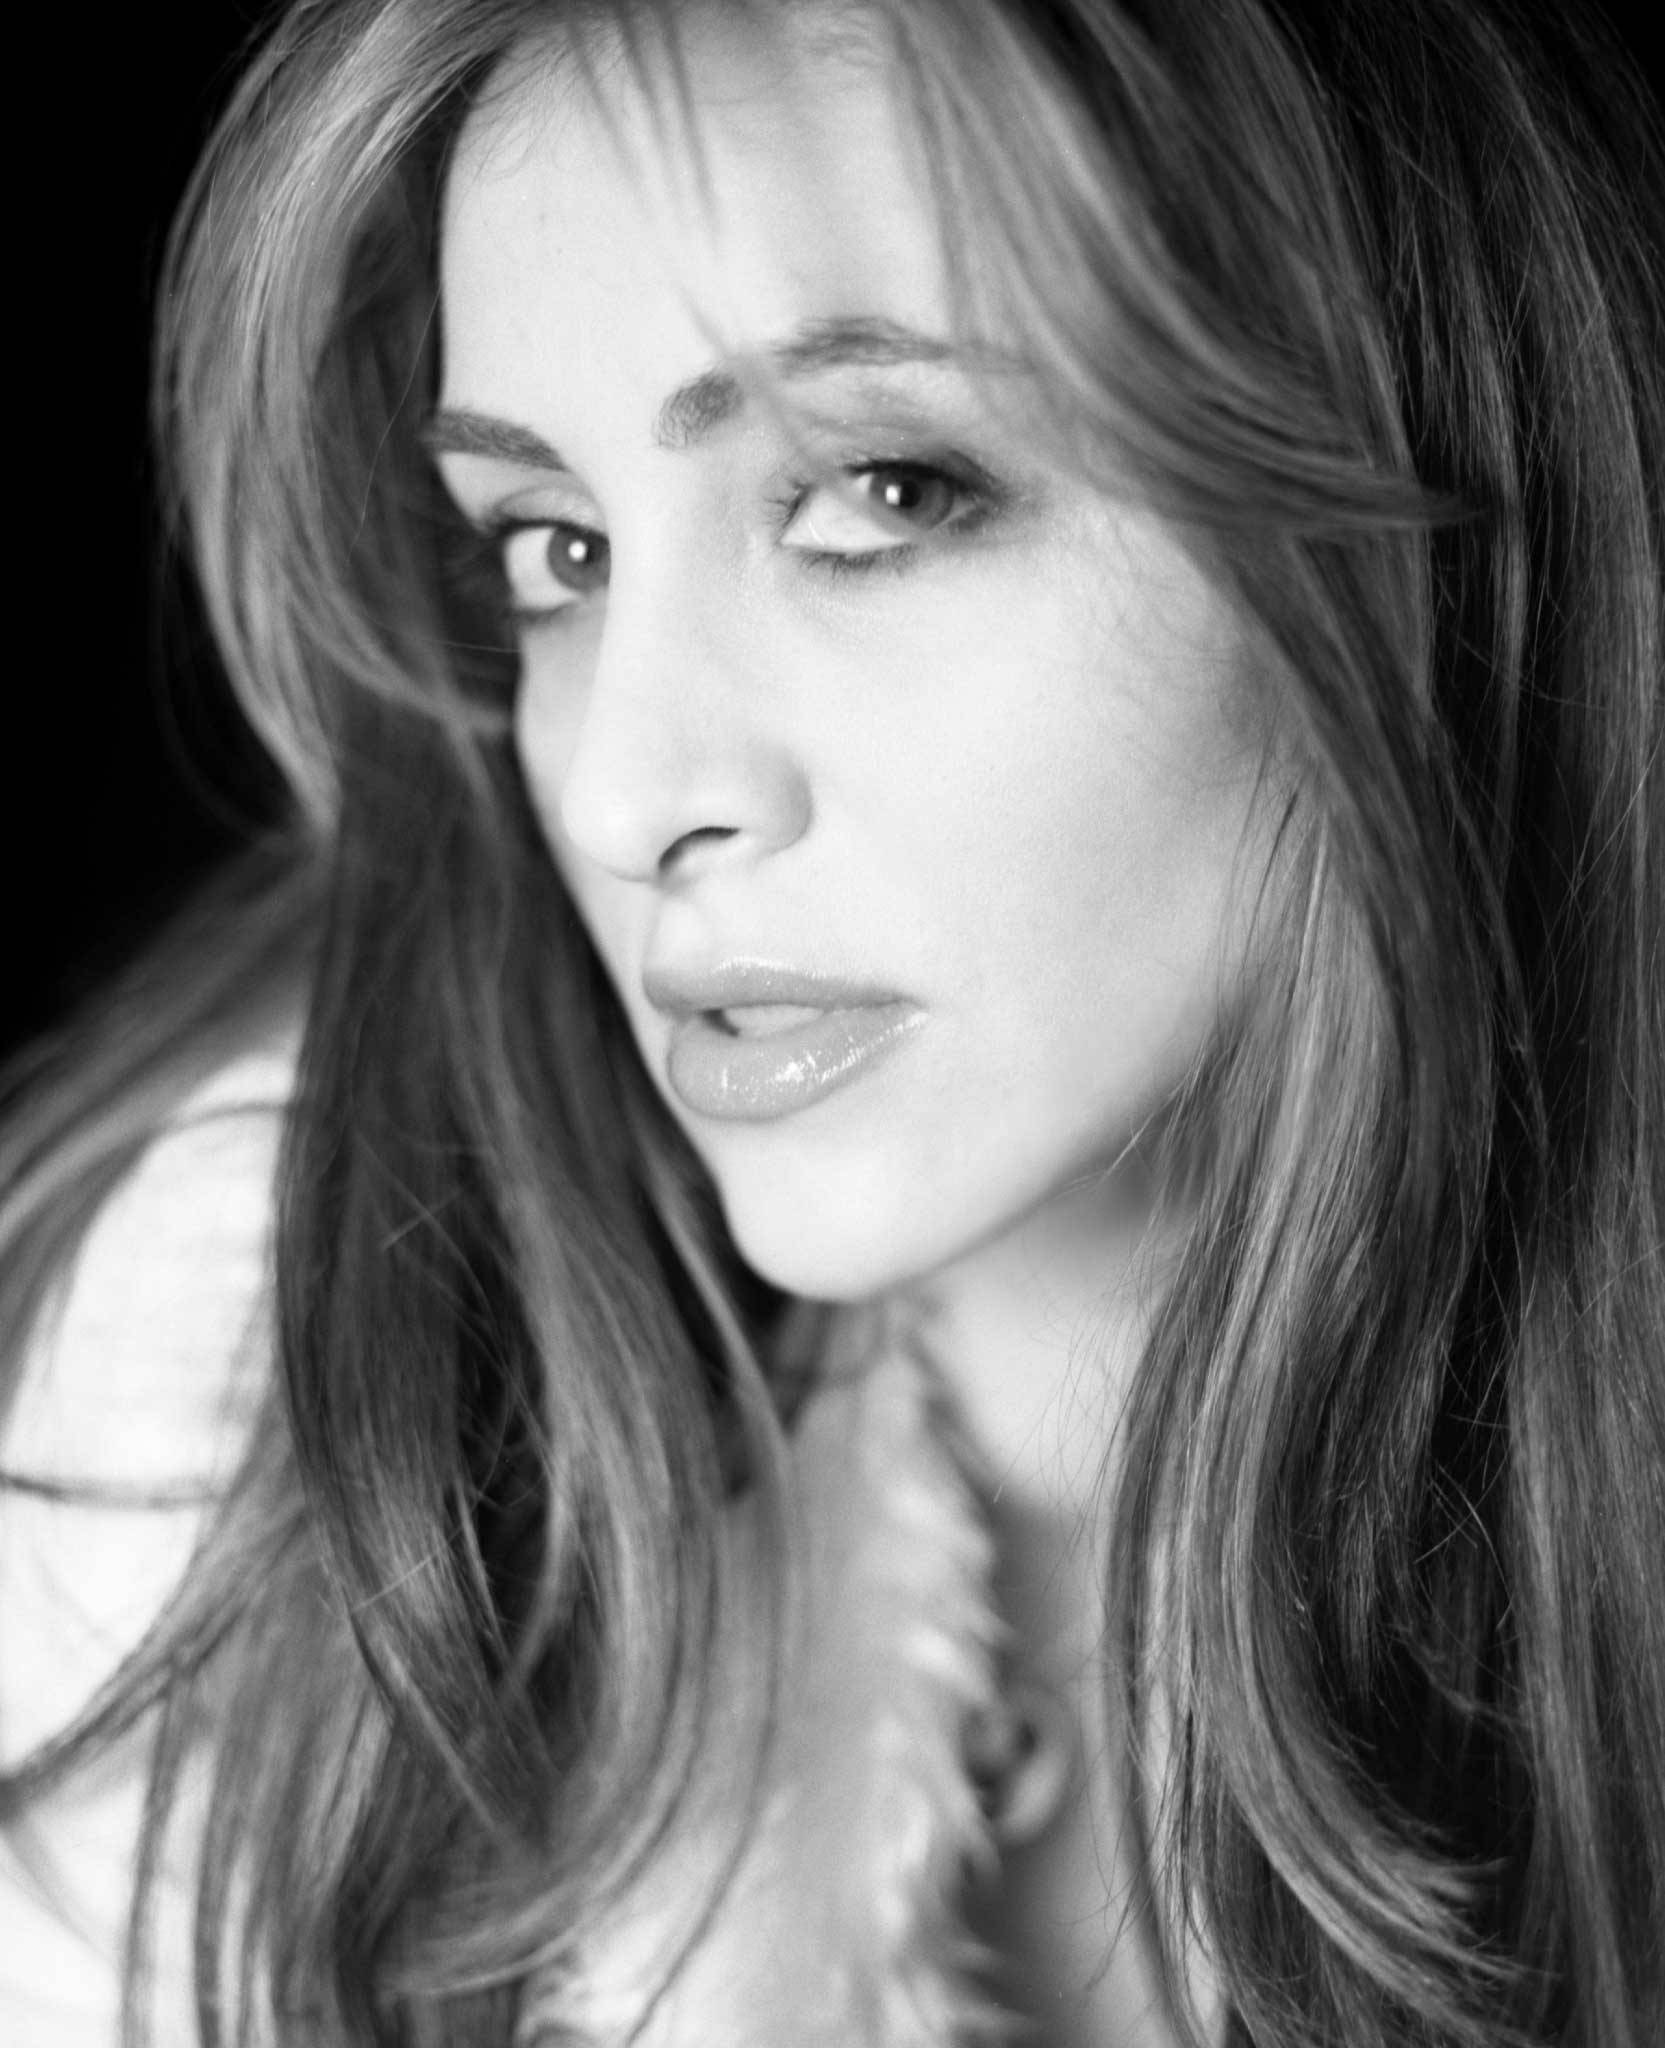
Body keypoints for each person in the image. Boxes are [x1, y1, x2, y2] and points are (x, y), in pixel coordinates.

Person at [3, 0, 1662, 2041]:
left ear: (1434, 507)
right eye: (555, 549)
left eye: (881, 490)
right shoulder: (258, 1417)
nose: (620, 791)